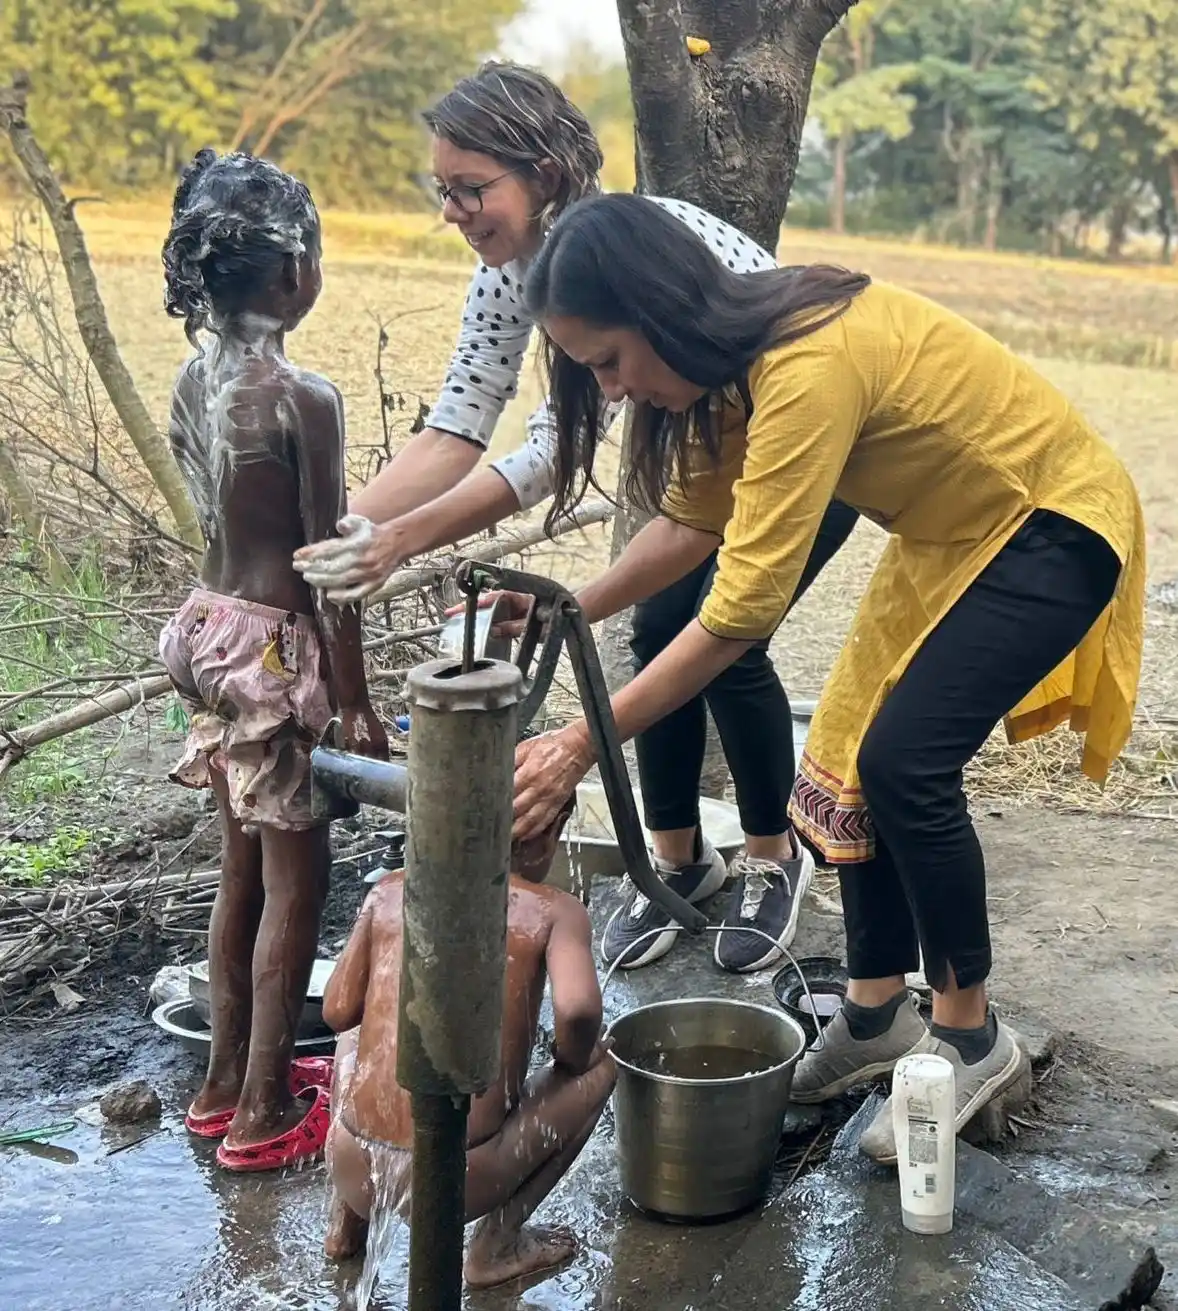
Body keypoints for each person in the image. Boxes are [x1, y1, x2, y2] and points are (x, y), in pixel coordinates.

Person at [506, 193, 1146, 1161]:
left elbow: (739, 611)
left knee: (904, 765)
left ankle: (971, 1036)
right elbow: (689, 529)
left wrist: (577, 745)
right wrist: (566, 608)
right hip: (952, 536)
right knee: (847, 761)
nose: (616, 390)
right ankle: (875, 1014)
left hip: (1048, 521)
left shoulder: (802, 362)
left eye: (608, 361)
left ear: (660, 310)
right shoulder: (728, 374)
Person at [293, 61, 860, 975]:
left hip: (805, 441)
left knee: (722, 638)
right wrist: (344, 532)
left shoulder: (622, 247)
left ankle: (770, 858)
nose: (453, 211)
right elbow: (460, 427)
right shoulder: (512, 273)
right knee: (656, 627)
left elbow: (560, 441)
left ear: (545, 173)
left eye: (472, 188)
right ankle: (676, 861)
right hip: (710, 457)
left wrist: (403, 540)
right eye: (443, 190)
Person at [159, 149, 388, 1172]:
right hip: (271, 647)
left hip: (207, 630)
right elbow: (325, 568)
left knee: (238, 869)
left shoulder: (192, 378)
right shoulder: (303, 395)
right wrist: (353, 703)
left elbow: (220, 523)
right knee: (297, 882)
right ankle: (262, 1112)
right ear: (294, 270)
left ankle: (218, 1082)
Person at [321, 795, 616, 1290]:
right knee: (603, 1067)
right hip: (460, 1182)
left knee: (357, 1033)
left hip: (352, 1160)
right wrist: (572, 1060)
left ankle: (347, 1222)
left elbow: (335, 1010)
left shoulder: (390, 889)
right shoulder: (553, 909)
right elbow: (580, 1011)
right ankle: (495, 1245)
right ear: (552, 829)